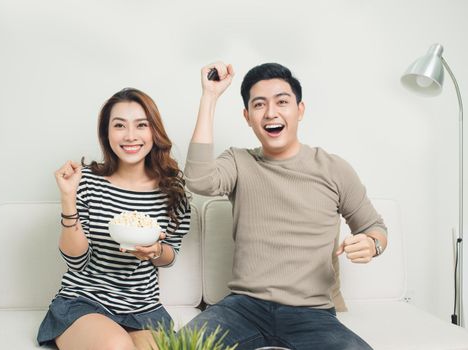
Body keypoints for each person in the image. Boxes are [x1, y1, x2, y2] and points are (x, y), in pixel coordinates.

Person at [182, 62, 388, 350]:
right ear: (248, 117)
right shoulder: (239, 162)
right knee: (180, 346)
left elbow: (374, 227)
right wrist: (210, 97)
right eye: (259, 105)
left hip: (312, 313)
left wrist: (372, 244)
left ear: (300, 110)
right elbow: (198, 179)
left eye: (282, 102)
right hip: (243, 308)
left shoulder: (334, 169)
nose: (271, 113)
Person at [37, 88, 191, 350]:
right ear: (106, 134)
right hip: (84, 302)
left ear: (154, 131)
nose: (130, 136)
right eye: (119, 125)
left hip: (143, 309)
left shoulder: (173, 192)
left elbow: (171, 254)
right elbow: (76, 261)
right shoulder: (86, 182)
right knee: (116, 346)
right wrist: (68, 198)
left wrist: (155, 251)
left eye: (141, 125)